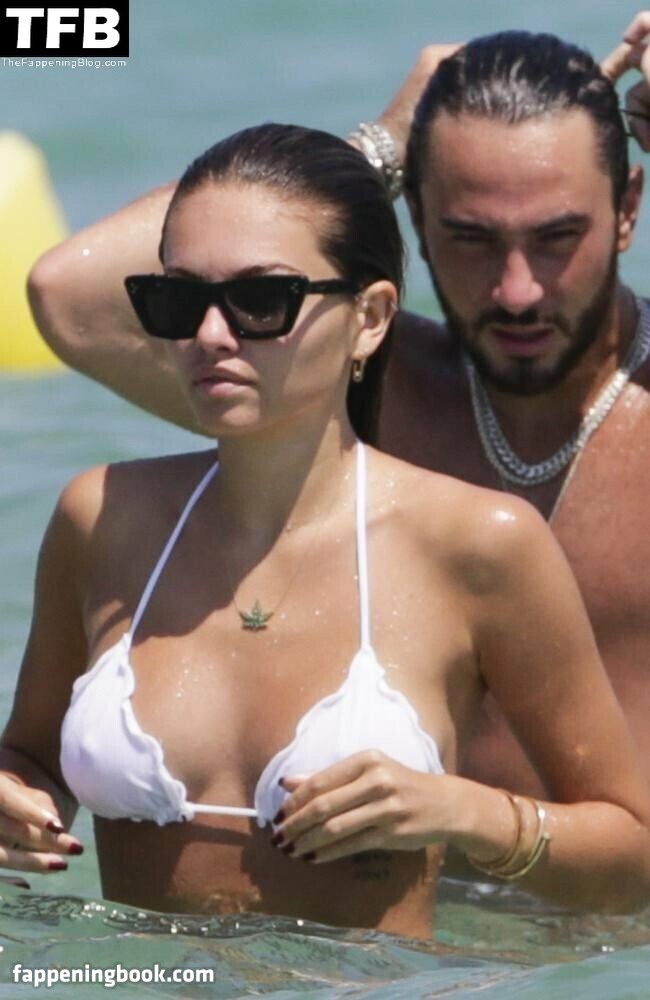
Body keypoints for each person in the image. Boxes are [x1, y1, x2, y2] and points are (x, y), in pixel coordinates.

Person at [2, 123, 650, 938]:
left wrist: (468, 813)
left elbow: (632, 860)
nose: (211, 335)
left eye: (261, 301)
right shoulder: (102, 517)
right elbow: (30, 758)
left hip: (378, 988)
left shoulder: (479, 542)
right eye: (179, 300)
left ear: (371, 318)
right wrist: (14, 798)